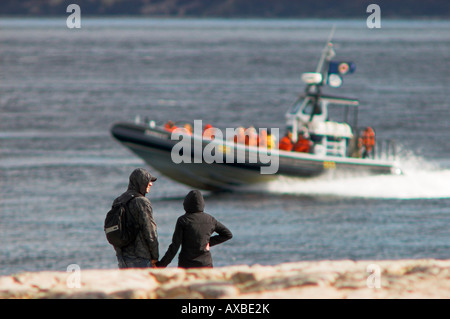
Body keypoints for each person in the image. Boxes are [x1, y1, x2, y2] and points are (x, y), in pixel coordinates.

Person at [156, 190, 232, 269]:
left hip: (187, 265)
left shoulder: (183, 220)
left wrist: (161, 265)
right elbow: (227, 234)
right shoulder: (210, 219)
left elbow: (174, 247)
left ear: (186, 203)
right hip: (206, 265)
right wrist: (208, 242)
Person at [113, 168, 159, 269]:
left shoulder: (118, 200)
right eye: (147, 181)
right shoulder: (141, 202)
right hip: (140, 257)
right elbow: (150, 231)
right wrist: (155, 257)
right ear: (140, 182)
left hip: (122, 256)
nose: (150, 184)